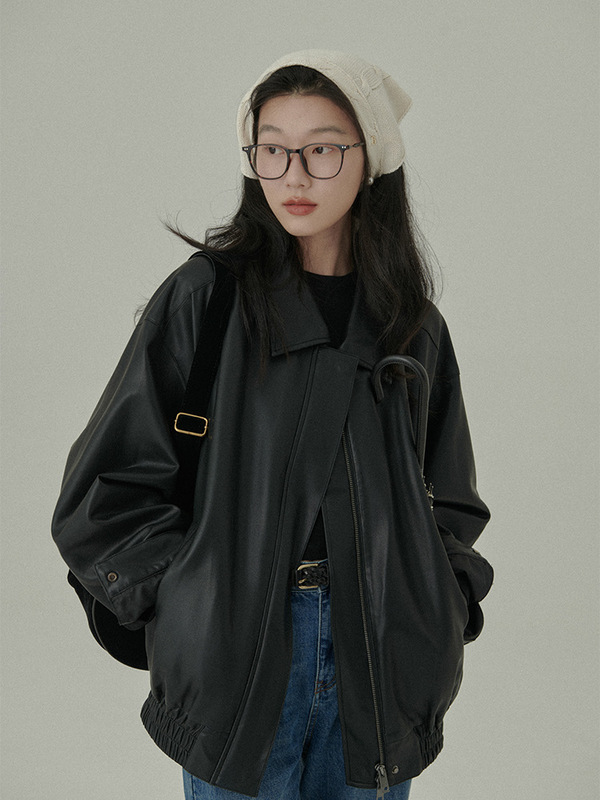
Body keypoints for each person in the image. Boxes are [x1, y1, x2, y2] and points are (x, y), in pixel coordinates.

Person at [52, 50, 493, 800]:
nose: (294, 175)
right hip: (236, 660)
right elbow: (103, 488)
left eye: (322, 150)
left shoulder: (410, 323)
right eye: (273, 149)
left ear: (371, 157)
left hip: (380, 661)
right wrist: (190, 602)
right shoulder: (206, 299)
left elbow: (446, 497)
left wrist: (440, 602)